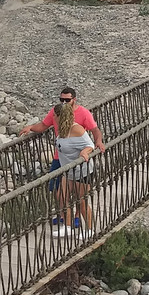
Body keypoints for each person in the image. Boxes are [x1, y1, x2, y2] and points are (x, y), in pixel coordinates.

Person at [20, 87, 106, 227]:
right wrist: (30, 127)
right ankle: (65, 218)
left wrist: (97, 142)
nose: (64, 102)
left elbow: (94, 130)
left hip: (76, 162)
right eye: (62, 99)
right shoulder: (56, 112)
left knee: (80, 197)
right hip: (59, 157)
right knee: (57, 190)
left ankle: (77, 218)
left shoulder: (83, 114)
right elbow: (43, 125)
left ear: (74, 99)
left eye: (67, 100)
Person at [51, 101, 97, 239]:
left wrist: (85, 151)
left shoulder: (77, 129)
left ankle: (89, 230)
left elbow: (90, 144)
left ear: (60, 116)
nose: (53, 117)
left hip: (81, 172)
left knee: (81, 202)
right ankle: (67, 226)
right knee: (62, 197)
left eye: (54, 115)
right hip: (68, 170)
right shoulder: (62, 129)